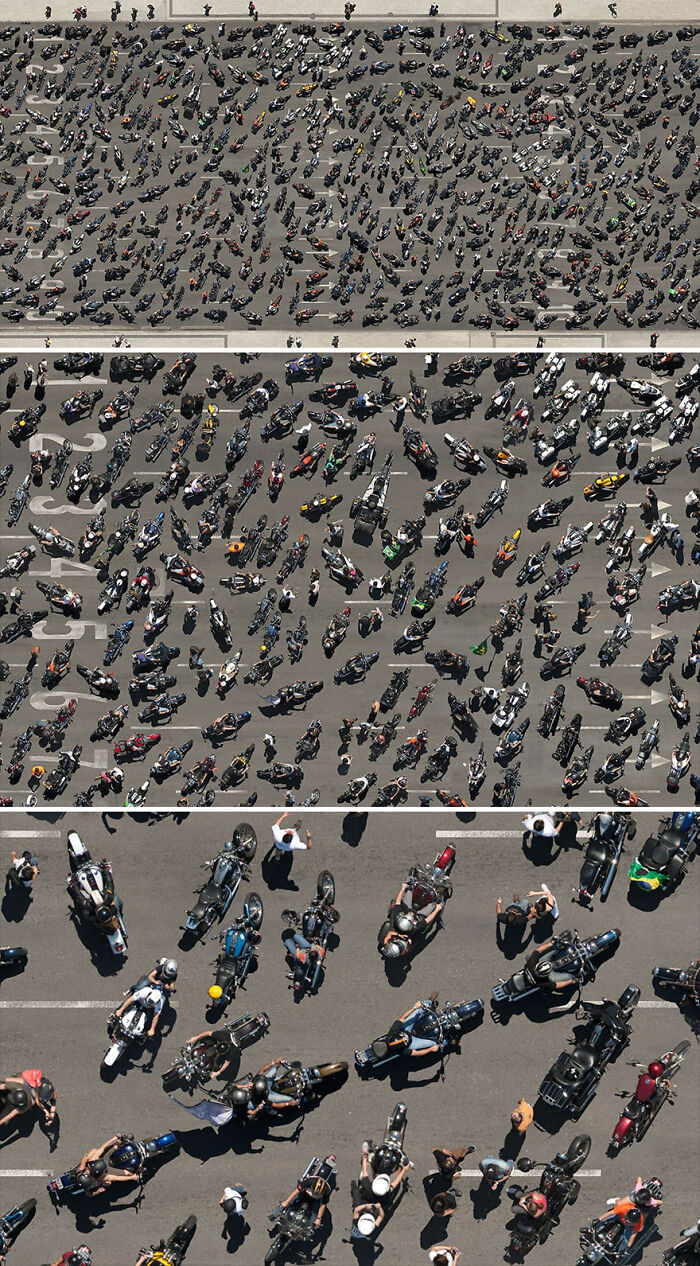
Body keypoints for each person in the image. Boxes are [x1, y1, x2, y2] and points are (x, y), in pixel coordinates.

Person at [111, 958, 177, 1040]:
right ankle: (127, 995)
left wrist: (152, 1029)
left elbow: (156, 1015)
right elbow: (150, 976)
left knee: (163, 1000)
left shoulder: (159, 1001)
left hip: (162, 988)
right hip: (154, 980)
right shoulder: (146, 990)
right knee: (139, 987)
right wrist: (156, 982)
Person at [378, 879, 444, 958]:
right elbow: (427, 921)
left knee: (409, 890)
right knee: (432, 906)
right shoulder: (405, 947)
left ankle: (412, 880)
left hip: (407, 909)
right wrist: (437, 909)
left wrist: (403, 887)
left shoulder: (396, 916)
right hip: (417, 915)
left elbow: (397, 902)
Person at [74, 1135, 141, 1196]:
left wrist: (114, 1138)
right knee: (126, 1173)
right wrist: (132, 1177)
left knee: (114, 1146)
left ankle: (123, 1141)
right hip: (107, 1170)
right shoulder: (100, 1178)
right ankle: (135, 1172)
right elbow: (116, 1178)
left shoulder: (90, 1161)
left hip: (104, 1160)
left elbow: (102, 1148)